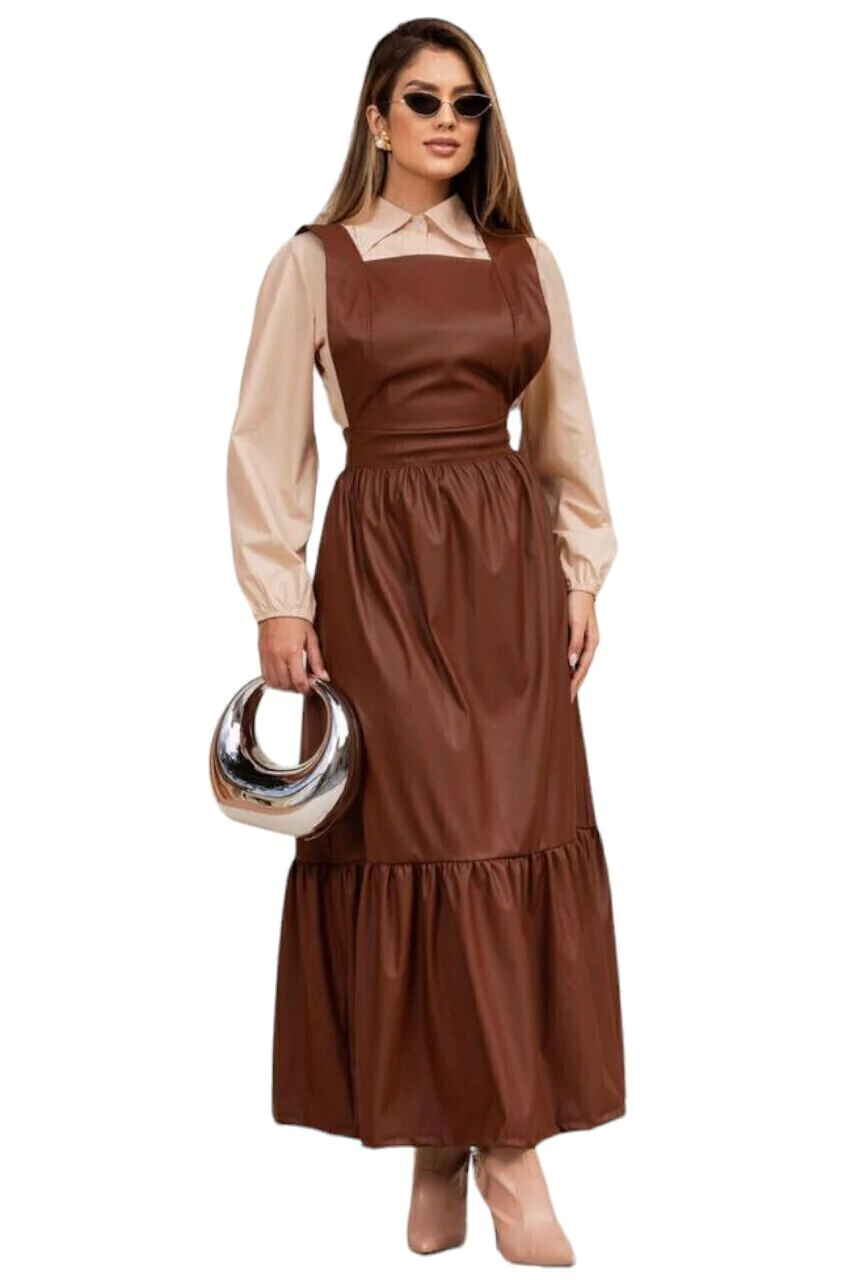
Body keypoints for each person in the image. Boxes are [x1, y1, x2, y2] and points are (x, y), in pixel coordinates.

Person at [226, 17, 625, 1267]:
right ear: (376, 117)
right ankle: (506, 1149)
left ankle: (454, 1143)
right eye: (423, 100)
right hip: (382, 574)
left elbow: (564, 427)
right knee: (422, 835)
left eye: (467, 104)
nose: (448, 122)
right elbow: (265, 439)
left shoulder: (523, 260)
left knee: (508, 830)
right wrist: (278, 597)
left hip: (507, 576)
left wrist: (581, 571)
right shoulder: (315, 261)